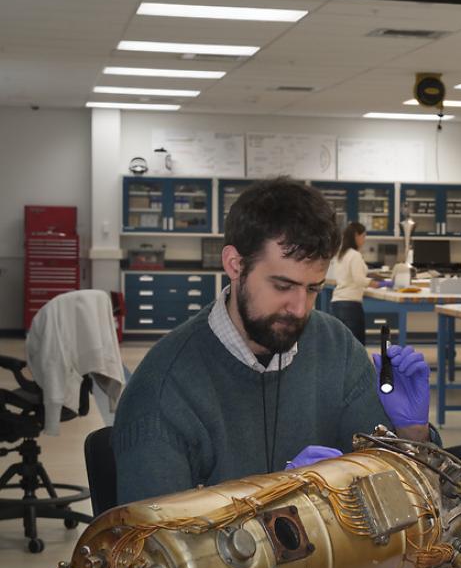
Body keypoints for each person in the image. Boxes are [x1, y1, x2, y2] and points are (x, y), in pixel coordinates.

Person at [112, 177, 432, 504]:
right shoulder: (162, 392)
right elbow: (158, 548)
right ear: (235, 265)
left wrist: (412, 433)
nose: (300, 308)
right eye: (282, 286)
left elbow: (404, 498)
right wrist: (280, 499)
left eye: (312, 289)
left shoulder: (336, 345)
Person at [329, 221, 372, 345]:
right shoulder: (355, 255)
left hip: (336, 303)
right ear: (356, 236)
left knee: (340, 346)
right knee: (356, 346)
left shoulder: (341, 254)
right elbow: (359, 280)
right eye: (363, 236)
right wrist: (378, 284)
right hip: (350, 306)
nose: (364, 239)